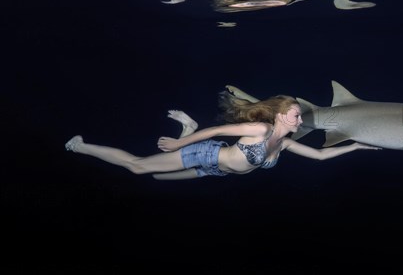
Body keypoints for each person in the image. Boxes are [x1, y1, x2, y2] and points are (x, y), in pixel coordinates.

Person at [64, 90, 380, 180]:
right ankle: (80, 147)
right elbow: (217, 130)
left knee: (159, 179)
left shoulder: (283, 142)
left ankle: (187, 128)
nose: (301, 119)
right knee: (138, 166)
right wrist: (181, 143)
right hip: (206, 154)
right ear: (282, 115)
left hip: (214, 171)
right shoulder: (260, 130)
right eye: (298, 115)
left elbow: (322, 155)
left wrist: (357, 147)